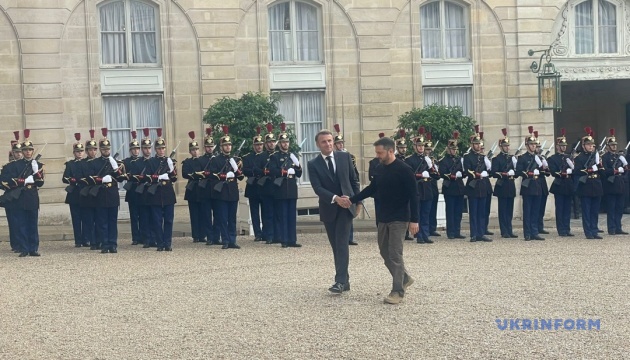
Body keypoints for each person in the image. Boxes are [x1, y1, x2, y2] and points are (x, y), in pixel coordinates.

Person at [344, 136, 418, 305]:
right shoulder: (379, 168)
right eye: (376, 152)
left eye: (380, 152)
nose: (377, 155)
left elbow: (414, 196)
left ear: (390, 151)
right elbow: (372, 188)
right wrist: (353, 199)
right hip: (383, 217)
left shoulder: (404, 169)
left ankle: (397, 291)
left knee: (395, 254)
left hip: (399, 218)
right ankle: (404, 277)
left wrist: (414, 220)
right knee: (385, 253)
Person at [307, 129, 360, 294]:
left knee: (342, 243)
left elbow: (354, 180)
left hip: (346, 207)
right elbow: (318, 188)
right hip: (329, 208)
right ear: (318, 144)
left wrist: (357, 202)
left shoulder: (345, 157)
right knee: (336, 246)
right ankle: (346, 281)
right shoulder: (313, 164)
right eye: (324, 142)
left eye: (330, 140)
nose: (328, 144)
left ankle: (339, 281)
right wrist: (336, 198)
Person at [1, 129, 45, 257]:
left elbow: (40, 183)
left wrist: (36, 172)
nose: (27, 152)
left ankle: (33, 248)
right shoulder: (13, 166)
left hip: (31, 197)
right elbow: (6, 181)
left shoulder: (38, 164)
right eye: (25, 150)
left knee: (32, 223)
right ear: (22, 152)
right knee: (21, 224)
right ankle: (24, 248)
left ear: (32, 151)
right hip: (19, 197)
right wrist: (23, 181)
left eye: (30, 150)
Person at [86, 128, 126, 253]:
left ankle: (113, 244)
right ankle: (104, 244)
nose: (106, 151)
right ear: (100, 150)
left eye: (107, 149)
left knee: (112, 221)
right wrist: (102, 179)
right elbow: (90, 178)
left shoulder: (116, 162)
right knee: (102, 221)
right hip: (101, 194)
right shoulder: (95, 163)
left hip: (112, 194)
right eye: (103, 149)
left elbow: (121, 178)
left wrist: (116, 169)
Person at [268, 123, 303, 248]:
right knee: (282, 216)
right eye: (283, 142)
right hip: (281, 189)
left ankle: (292, 240)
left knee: (291, 216)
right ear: (279, 144)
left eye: (287, 142)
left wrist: (297, 167)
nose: (285, 144)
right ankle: (284, 240)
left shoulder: (292, 156)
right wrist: (284, 171)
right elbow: (272, 171)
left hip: (292, 188)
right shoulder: (275, 157)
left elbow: (299, 173)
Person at [209, 126, 244, 249]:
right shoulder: (216, 160)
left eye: (229, 145)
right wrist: (224, 175)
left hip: (232, 192)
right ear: (221, 147)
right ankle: (225, 240)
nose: (228, 147)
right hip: (222, 193)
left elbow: (240, 177)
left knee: (232, 218)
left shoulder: (236, 160)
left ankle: (232, 240)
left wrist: (236, 169)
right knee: (223, 218)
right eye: (225, 145)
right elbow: (212, 175)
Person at [404, 127, 434, 244]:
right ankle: (419, 235)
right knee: (418, 213)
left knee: (426, 213)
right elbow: (409, 175)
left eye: (422, 146)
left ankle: (426, 234)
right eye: (419, 146)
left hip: (427, 189)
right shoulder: (410, 160)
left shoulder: (427, 159)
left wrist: (432, 167)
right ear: (415, 147)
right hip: (417, 189)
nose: (421, 147)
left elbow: (435, 175)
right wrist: (420, 175)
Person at [463, 126, 492, 242]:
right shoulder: (467, 157)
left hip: (482, 187)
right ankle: (474, 234)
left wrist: (488, 168)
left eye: (479, 144)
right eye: (475, 144)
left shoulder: (483, 157)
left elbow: (490, 170)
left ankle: (481, 233)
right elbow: (467, 170)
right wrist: (477, 174)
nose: (478, 146)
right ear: (471, 145)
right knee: (473, 212)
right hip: (473, 186)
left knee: (482, 212)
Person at [573, 127, 604, 239]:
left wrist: (600, 165)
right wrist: (589, 170)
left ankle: (594, 230)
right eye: (589, 144)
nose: (591, 146)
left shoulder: (596, 156)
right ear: (583, 146)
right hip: (585, 186)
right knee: (586, 210)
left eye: (592, 145)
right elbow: (576, 171)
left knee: (595, 210)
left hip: (596, 184)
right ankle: (588, 231)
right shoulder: (580, 158)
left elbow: (602, 172)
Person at [333, 124, 360, 245]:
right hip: (337, 190)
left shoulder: (350, 156)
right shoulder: (332, 157)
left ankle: (350, 237)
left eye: (342, 143)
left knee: (349, 213)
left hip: (348, 188)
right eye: (338, 143)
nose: (341, 145)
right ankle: (340, 237)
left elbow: (354, 174)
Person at [516, 126, 544, 241]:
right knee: (527, 211)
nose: (534, 146)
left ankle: (534, 231)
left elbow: (544, 171)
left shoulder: (538, 158)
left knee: (536, 211)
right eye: (531, 144)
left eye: (535, 144)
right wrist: (529, 173)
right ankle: (527, 233)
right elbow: (518, 171)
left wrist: (542, 167)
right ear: (527, 145)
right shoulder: (522, 158)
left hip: (537, 186)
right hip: (528, 186)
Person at [438, 131, 466, 239]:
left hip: (459, 188)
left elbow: (464, 172)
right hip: (449, 188)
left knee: (458, 212)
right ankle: (450, 232)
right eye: (452, 149)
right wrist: (453, 175)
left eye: (455, 149)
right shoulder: (444, 160)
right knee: (450, 211)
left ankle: (457, 231)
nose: (454, 151)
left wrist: (462, 174)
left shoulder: (460, 159)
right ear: (448, 149)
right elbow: (443, 173)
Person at [491, 128, 518, 238]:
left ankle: (510, 229)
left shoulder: (512, 158)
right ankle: (504, 231)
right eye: (505, 146)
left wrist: (515, 169)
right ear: (501, 147)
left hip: (510, 185)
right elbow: (494, 173)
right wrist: (505, 174)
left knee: (509, 210)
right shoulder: (497, 159)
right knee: (503, 210)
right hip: (502, 186)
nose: (508, 148)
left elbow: (517, 173)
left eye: (508, 146)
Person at [548, 128, 575, 237]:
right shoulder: (553, 158)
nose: (564, 147)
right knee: (560, 208)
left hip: (568, 184)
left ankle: (567, 228)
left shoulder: (569, 157)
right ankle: (561, 229)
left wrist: (572, 167)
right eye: (562, 145)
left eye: (565, 145)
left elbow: (576, 170)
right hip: (559, 184)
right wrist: (563, 172)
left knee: (568, 208)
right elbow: (554, 172)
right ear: (557, 146)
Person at [196, 128, 221, 246]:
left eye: (211, 146)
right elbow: (198, 173)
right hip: (205, 190)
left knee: (218, 215)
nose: (209, 148)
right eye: (207, 146)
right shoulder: (201, 160)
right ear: (205, 147)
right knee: (206, 216)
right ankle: (209, 237)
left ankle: (216, 236)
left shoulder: (217, 159)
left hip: (216, 190)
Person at [601, 128, 628, 235]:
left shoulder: (618, 156)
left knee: (620, 208)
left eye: (615, 145)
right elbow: (604, 171)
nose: (614, 146)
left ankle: (618, 227)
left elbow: (625, 169)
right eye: (612, 145)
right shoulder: (605, 157)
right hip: (611, 185)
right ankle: (611, 228)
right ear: (607, 146)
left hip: (620, 185)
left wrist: (624, 170)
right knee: (611, 208)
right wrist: (615, 171)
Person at [62, 133, 85, 247]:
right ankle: (78, 240)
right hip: (74, 193)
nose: (79, 153)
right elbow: (65, 178)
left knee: (86, 218)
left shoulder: (87, 163)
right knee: (76, 219)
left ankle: (86, 239)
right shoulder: (70, 164)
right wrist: (72, 180)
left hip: (85, 194)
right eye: (77, 151)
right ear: (74, 153)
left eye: (81, 151)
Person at [256, 123, 278, 244]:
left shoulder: (279, 155)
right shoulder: (261, 156)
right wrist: (265, 171)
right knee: (267, 214)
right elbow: (256, 169)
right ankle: (268, 235)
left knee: (277, 213)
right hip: (266, 188)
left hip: (277, 188)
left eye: (273, 142)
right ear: (266, 144)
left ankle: (277, 235)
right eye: (269, 142)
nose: (271, 144)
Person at [182, 131, 205, 243]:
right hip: (192, 190)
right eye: (193, 150)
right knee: (194, 214)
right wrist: (195, 174)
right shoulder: (187, 162)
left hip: (202, 189)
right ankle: (196, 235)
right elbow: (185, 173)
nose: (195, 151)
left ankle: (202, 234)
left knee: (203, 213)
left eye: (196, 149)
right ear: (190, 151)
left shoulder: (203, 161)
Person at [241, 127, 264, 241]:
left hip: (264, 187)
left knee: (265, 212)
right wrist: (255, 171)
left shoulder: (266, 156)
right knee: (254, 213)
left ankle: (265, 232)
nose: (259, 146)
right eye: (257, 145)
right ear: (253, 146)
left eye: (260, 144)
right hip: (253, 186)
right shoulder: (248, 157)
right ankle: (257, 234)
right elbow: (245, 170)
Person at [3, 131, 23, 252]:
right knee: (13, 222)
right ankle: (15, 244)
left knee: (23, 221)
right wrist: (12, 183)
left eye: (20, 152)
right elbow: (2, 182)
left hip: (23, 196)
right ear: (13, 153)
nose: (19, 154)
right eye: (16, 152)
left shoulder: (27, 165)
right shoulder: (7, 167)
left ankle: (23, 243)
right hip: (11, 195)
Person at [122, 131, 143, 245]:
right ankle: (135, 237)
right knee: (134, 216)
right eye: (134, 149)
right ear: (130, 150)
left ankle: (143, 235)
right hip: (132, 191)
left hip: (142, 190)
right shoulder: (126, 162)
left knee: (143, 215)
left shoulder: (143, 161)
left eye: (137, 149)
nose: (136, 151)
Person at [79, 130, 98, 249]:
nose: (93, 152)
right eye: (90, 150)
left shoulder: (100, 162)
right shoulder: (82, 163)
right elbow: (81, 178)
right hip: (87, 195)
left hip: (97, 194)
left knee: (98, 220)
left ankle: (98, 240)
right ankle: (91, 240)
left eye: (95, 149)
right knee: (88, 220)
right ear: (86, 151)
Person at [424, 132, 441, 237]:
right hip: (425, 186)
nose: (429, 152)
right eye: (427, 150)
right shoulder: (423, 161)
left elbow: (438, 175)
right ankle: (424, 230)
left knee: (433, 208)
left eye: (430, 150)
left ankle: (432, 228)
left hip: (433, 186)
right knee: (425, 210)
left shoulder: (433, 160)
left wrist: (435, 166)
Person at [534, 131, 551, 234]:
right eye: (537, 146)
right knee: (535, 208)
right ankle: (535, 227)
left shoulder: (542, 158)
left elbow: (548, 173)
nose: (538, 148)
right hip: (535, 183)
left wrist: (546, 166)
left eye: (539, 147)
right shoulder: (532, 158)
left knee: (541, 208)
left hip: (542, 184)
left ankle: (540, 226)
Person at [368, 132, 386, 223]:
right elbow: (371, 176)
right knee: (379, 212)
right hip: (378, 191)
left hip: (389, 192)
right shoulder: (374, 162)